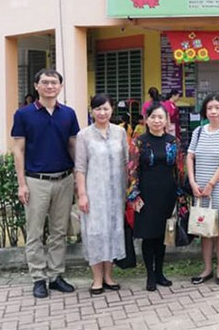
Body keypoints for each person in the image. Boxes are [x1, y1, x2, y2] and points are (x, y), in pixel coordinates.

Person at [11, 68, 80, 298]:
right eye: (45, 82)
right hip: (36, 181)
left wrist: (78, 178)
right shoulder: (23, 114)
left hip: (64, 179)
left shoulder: (68, 114)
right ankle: (38, 278)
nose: (50, 86)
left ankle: (56, 275)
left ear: (60, 86)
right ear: (36, 86)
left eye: (54, 82)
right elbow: (18, 150)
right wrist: (21, 183)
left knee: (59, 232)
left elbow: (73, 145)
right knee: (35, 232)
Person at [74, 94, 129, 295]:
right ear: (92, 111)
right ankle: (96, 278)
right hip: (94, 193)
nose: (102, 113)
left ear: (112, 110)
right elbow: (80, 167)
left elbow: (127, 162)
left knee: (113, 232)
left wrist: (129, 190)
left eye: (106, 108)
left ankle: (108, 276)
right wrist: (82, 194)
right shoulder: (84, 135)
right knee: (95, 233)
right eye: (98, 109)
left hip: (116, 193)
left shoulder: (120, 132)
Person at [127, 102, 184, 292]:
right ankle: (150, 275)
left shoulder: (173, 141)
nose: (157, 121)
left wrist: (180, 195)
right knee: (148, 235)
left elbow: (179, 169)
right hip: (146, 194)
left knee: (162, 235)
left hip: (167, 193)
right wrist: (134, 196)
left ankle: (160, 273)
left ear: (166, 120)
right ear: (146, 120)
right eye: (153, 117)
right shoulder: (139, 142)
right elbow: (132, 170)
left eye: (161, 117)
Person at [186, 94, 219, 286]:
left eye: (217, 107)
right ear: (205, 111)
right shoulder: (198, 131)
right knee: (204, 228)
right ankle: (207, 269)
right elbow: (190, 157)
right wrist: (193, 182)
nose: (213, 111)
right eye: (210, 108)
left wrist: (211, 184)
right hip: (200, 188)